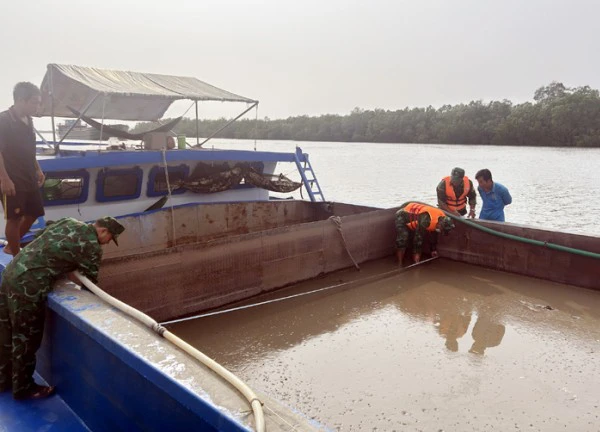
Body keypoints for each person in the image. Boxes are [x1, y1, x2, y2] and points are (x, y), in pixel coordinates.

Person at [0, 216, 125, 400]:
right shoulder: (92, 246)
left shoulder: (69, 221)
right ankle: (24, 388)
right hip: (29, 286)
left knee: (5, 332)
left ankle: (3, 380)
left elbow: (42, 234)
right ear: (103, 231)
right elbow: (89, 283)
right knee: (26, 339)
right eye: (109, 239)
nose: (106, 243)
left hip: (11, 272)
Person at [0, 82, 45, 256]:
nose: (37, 106)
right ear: (20, 100)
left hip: (28, 175)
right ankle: (17, 255)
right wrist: (4, 178)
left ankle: (12, 245)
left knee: (35, 212)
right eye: (34, 102)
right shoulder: (4, 120)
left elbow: (29, 149)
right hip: (11, 177)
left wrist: (38, 168)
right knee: (15, 217)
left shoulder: (29, 120)